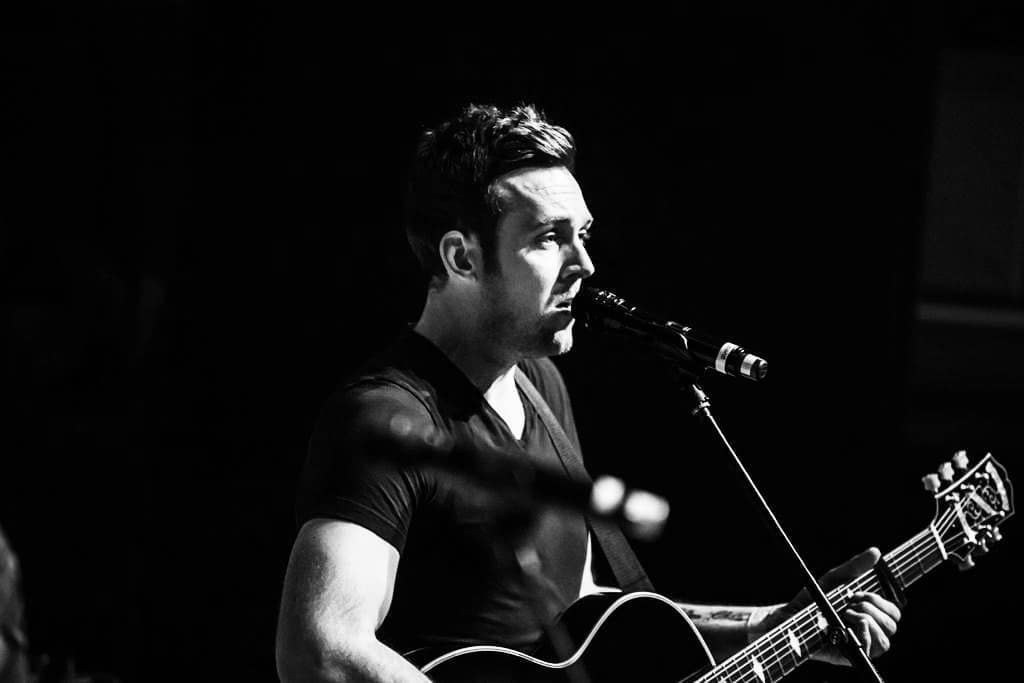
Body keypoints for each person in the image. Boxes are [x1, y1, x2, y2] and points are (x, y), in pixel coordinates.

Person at [275, 103, 902, 682]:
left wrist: (769, 625)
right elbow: (320, 649)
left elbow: (582, 616)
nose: (586, 264)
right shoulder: (388, 416)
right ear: (462, 259)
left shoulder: (540, 384)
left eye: (585, 234)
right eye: (549, 237)